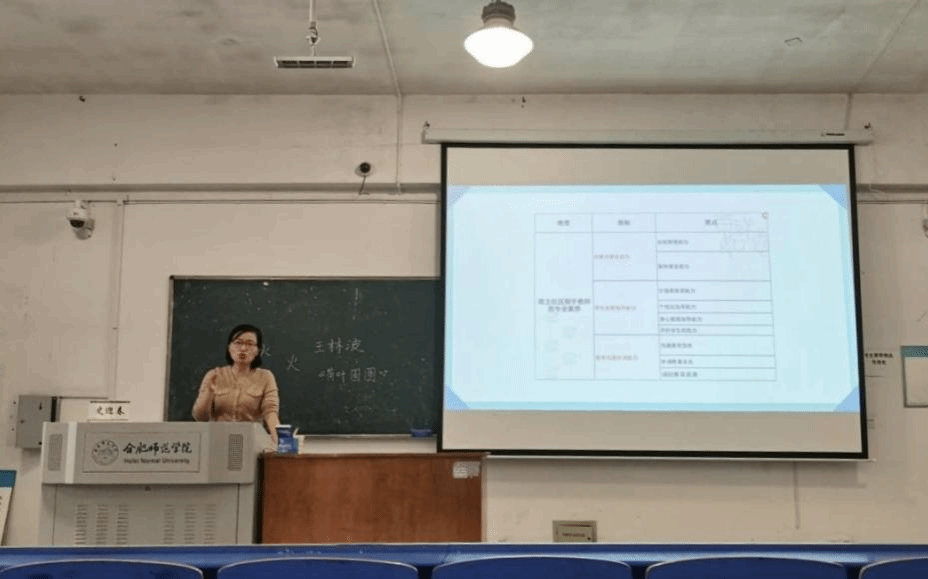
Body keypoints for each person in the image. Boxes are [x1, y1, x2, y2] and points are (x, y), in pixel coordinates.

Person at [192, 324, 281, 444]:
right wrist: (208, 393)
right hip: (218, 441)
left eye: (250, 344)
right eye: (238, 342)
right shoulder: (214, 375)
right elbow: (200, 417)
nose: (243, 348)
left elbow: (270, 412)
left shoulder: (265, 377)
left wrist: (279, 437)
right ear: (229, 347)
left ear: (258, 350)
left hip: (251, 442)